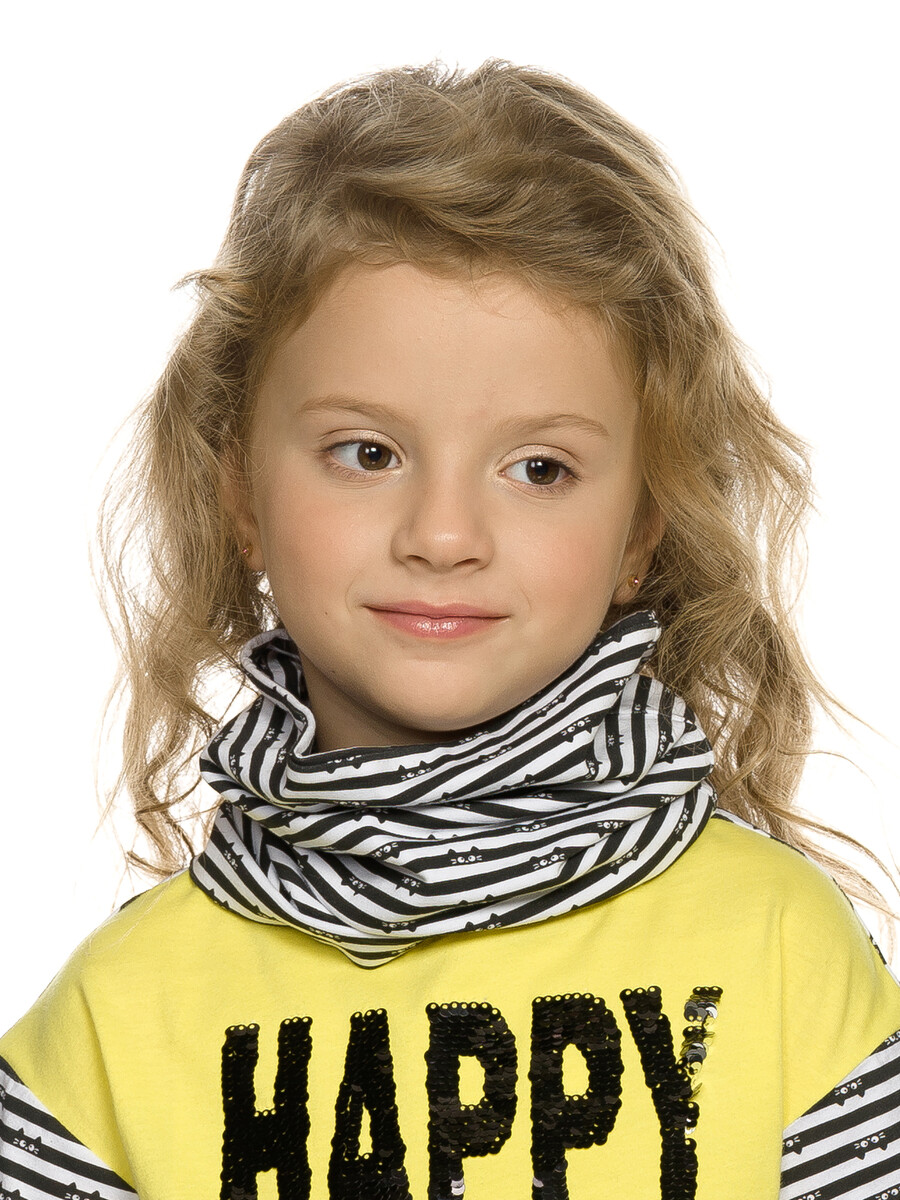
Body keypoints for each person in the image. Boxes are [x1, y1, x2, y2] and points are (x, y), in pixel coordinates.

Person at [1, 58, 898, 1200]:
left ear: (640, 531)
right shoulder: (107, 1035)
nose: (442, 535)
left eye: (539, 468)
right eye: (366, 452)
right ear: (241, 499)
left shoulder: (782, 954)